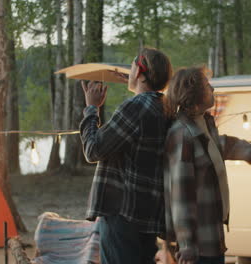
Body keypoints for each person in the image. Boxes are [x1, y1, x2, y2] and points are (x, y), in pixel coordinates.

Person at [163, 66, 251, 264]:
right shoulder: (182, 134)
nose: (212, 89)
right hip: (197, 245)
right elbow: (181, 196)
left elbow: (218, 146)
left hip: (213, 235)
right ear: (193, 94)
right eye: (206, 85)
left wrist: (250, 152)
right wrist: (186, 244)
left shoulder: (203, 123)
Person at [79, 47, 173, 264]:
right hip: (148, 213)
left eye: (131, 67)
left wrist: (91, 109)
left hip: (122, 213)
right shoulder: (166, 108)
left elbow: (93, 150)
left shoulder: (136, 106)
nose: (128, 72)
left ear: (140, 73)